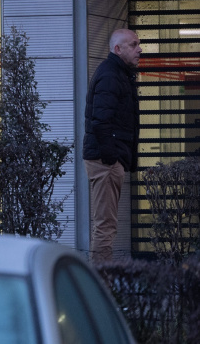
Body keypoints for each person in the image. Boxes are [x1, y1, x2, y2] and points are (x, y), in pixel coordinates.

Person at [83, 28, 142, 262]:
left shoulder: (119, 74)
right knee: (105, 226)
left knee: (106, 225)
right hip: (105, 161)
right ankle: (100, 280)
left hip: (108, 159)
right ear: (118, 49)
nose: (139, 49)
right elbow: (100, 122)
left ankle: (100, 277)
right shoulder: (110, 75)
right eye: (133, 44)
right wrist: (111, 158)